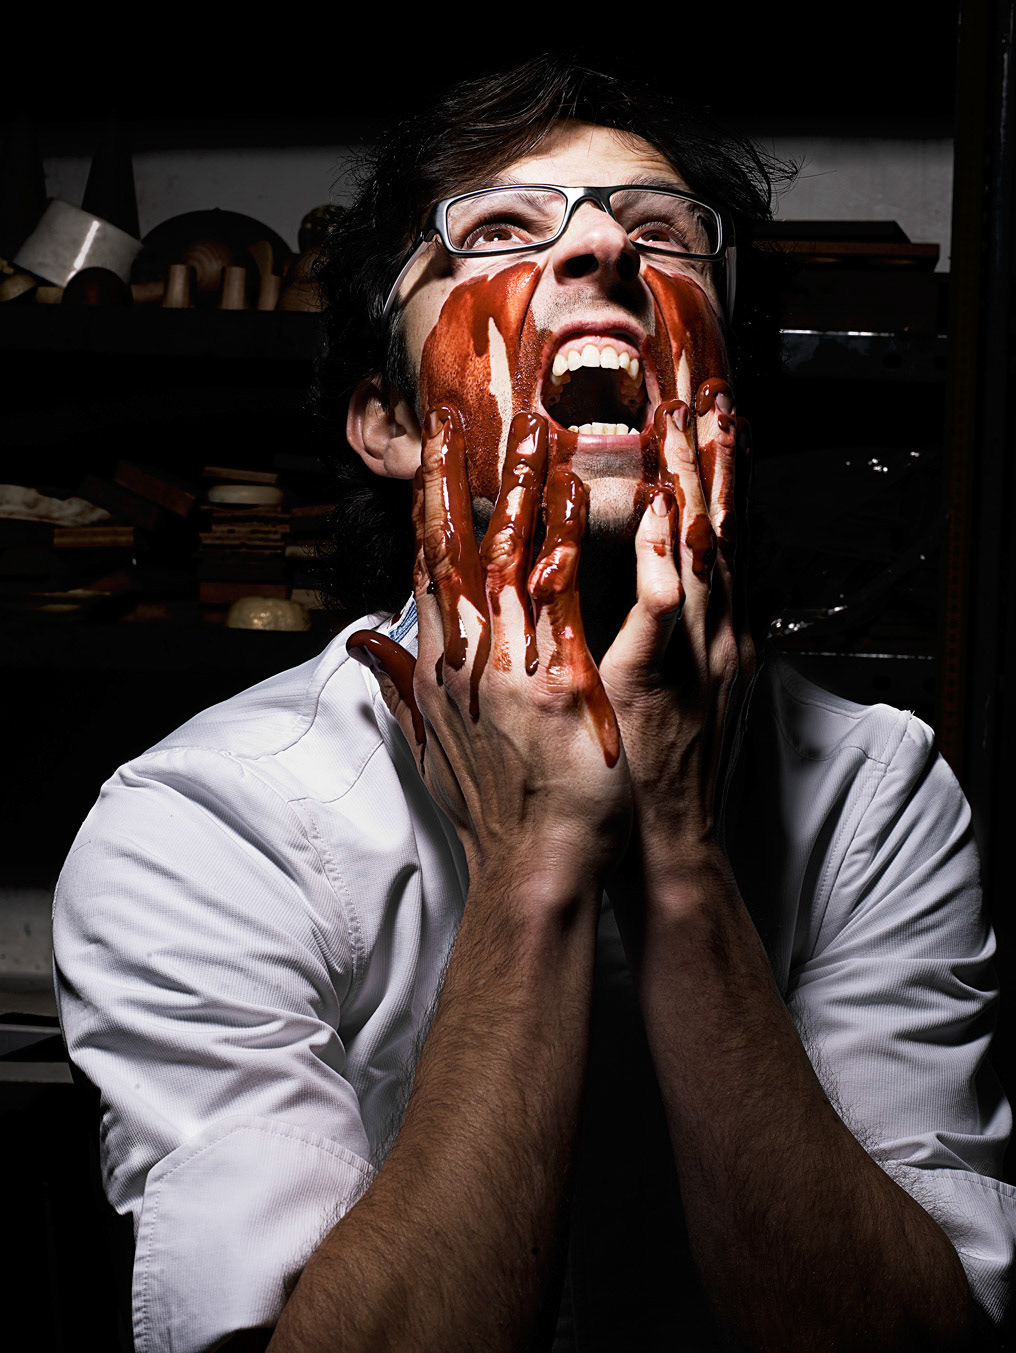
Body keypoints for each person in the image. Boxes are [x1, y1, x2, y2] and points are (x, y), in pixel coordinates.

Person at [53, 56, 1015, 1353]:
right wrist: (535, 857)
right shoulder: (205, 824)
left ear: (721, 391)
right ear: (389, 421)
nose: (605, 246)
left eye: (661, 231)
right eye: (500, 228)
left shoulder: (875, 797)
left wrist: (679, 850)